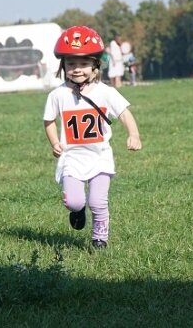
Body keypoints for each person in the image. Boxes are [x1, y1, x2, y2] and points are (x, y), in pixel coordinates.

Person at [43, 25, 142, 250]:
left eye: (83, 64)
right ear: (63, 65)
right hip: (72, 159)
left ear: (95, 65)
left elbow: (125, 113)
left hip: (100, 158)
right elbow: (48, 121)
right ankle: (78, 211)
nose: (77, 69)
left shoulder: (105, 92)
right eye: (70, 64)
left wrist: (133, 134)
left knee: (98, 202)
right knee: (74, 201)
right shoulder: (58, 95)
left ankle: (100, 238)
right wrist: (55, 143)